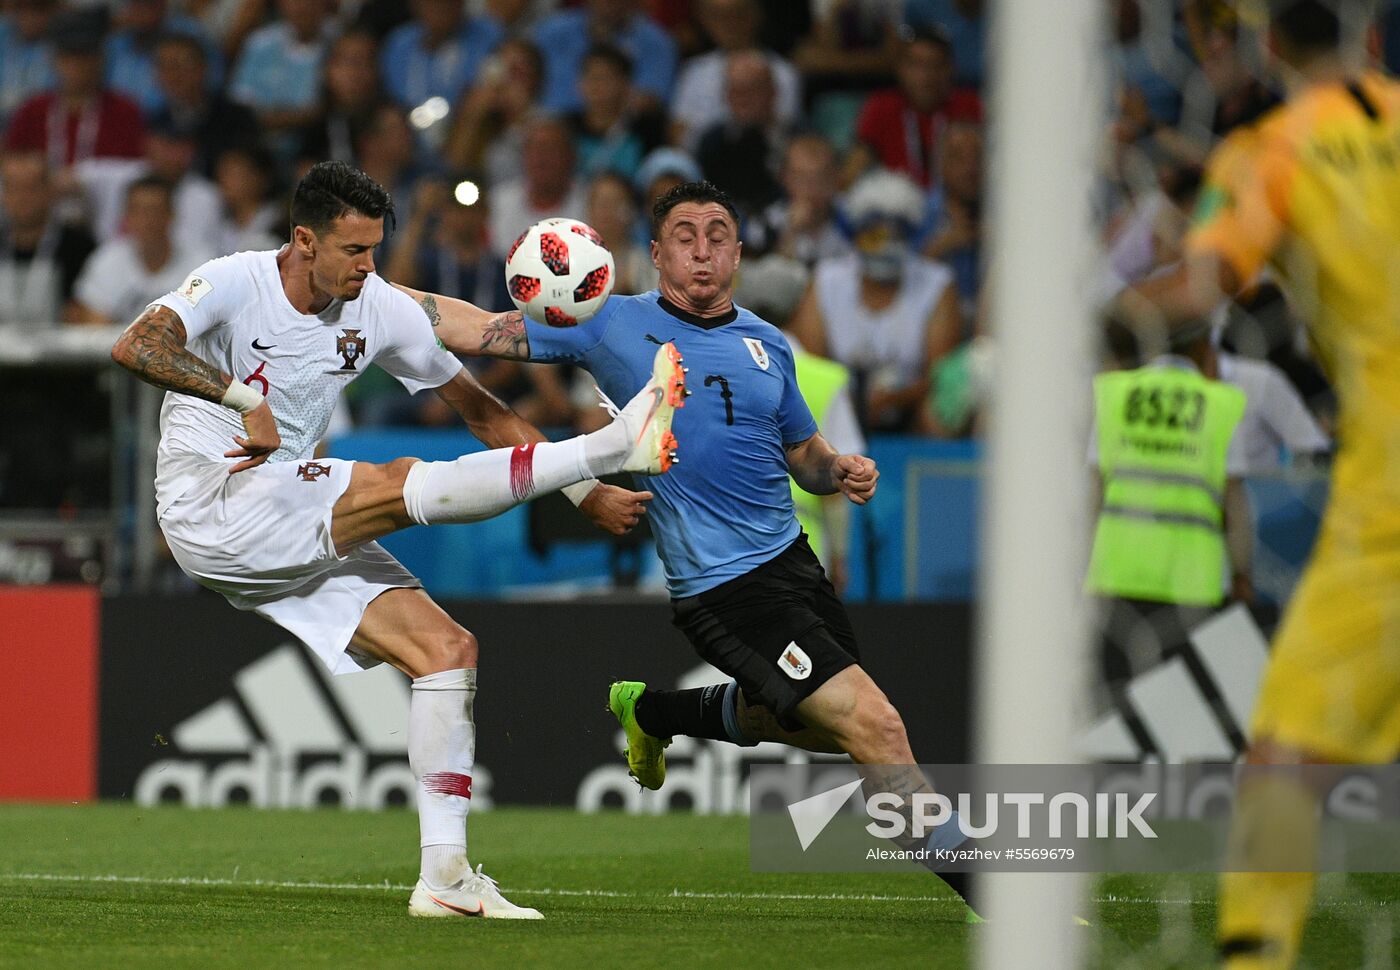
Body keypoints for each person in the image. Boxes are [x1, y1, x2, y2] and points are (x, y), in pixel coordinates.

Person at [107, 160, 685, 919]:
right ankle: (612, 444)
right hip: (211, 501)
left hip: (287, 517)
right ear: (304, 241)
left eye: (376, 248)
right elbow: (135, 345)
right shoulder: (233, 280)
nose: (370, 268)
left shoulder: (372, 305)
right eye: (354, 251)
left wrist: (581, 492)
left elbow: (481, 400)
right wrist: (242, 396)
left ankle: (444, 880)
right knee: (400, 477)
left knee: (446, 651)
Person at [397, 179, 983, 920]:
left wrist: (836, 469)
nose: (701, 250)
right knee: (878, 727)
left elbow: (801, 448)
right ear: (655, 254)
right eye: (685, 235)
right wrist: (369, 288)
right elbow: (478, 330)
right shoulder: (606, 324)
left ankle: (654, 712)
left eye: (716, 234)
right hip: (723, 588)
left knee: (821, 729)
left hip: (793, 566)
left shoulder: (769, 345)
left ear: (738, 252)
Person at [1116, 2, 1400, 965]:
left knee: (1282, 751)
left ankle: (1255, 953)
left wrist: (1090, 319)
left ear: (1262, 43)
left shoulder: (1268, 151)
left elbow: (1198, 291)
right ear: (1366, 32)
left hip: (1391, 489)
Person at [1087, 325, 1252, 722]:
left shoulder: (1113, 394)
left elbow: (1092, 493)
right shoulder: (1222, 404)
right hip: (1192, 582)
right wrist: (1243, 573)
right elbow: (1236, 504)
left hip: (1117, 575)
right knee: (1183, 716)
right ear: (1204, 349)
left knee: (1113, 712)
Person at [789, 169, 963, 433]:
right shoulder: (827, 279)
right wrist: (851, 403)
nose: (885, 246)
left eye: (896, 234)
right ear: (857, 234)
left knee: (937, 412)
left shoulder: (937, 283)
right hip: (840, 403)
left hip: (910, 409)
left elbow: (941, 376)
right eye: (875, 235)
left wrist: (892, 400)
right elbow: (811, 365)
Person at [70, 176, 213, 326]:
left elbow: (205, 330)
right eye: (138, 211)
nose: (147, 220)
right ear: (126, 217)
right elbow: (95, 329)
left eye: (154, 210)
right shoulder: (106, 261)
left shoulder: (200, 266)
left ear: (171, 215)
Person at [0, 151, 96, 327]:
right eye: (13, 188)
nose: (21, 198)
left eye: (30, 188)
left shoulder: (79, 247)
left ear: (50, 191)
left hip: (59, 352)